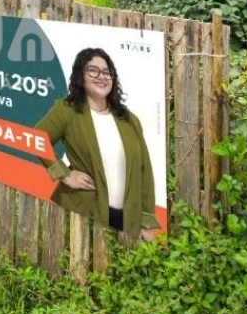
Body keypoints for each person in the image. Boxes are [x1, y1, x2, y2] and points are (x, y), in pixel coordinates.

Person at [34, 47, 158, 240]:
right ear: (80, 77)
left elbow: (145, 170)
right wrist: (64, 175)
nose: (102, 76)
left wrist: (146, 219)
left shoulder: (129, 119)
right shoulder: (67, 110)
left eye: (107, 72)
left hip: (126, 219)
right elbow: (37, 138)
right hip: (82, 213)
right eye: (93, 70)